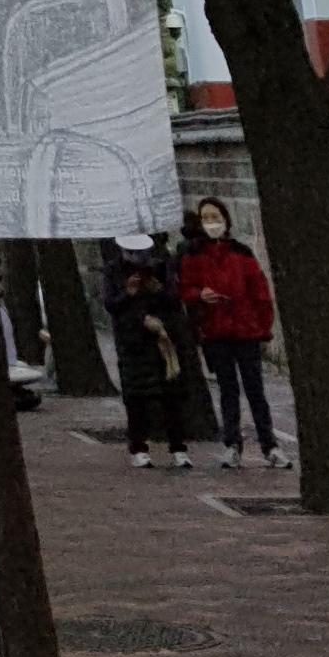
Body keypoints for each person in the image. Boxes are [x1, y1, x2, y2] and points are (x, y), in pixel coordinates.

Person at [181, 199, 286, 470]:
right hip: (216, 331)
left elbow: (260, 292)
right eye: (206, 218)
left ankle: (270, 445)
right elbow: (186, 288)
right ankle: (232, 444)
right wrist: (200, 295)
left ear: (226, 219)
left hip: (245, 330)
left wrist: (262, 328)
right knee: (228, 390)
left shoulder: (241, 253)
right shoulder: (194, 255)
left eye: (215, 216)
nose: (211, 223)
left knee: (255, 390)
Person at [109, 242, 190, 469]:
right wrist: (128, 293)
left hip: (161, 341)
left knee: (170, 397)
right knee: (136, 399)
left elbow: (174, 300)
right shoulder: (114, 270)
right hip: (132, 344)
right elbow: (111, 304)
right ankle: (139, 448)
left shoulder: (160, 267)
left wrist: (159, 291)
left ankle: (178, 448)